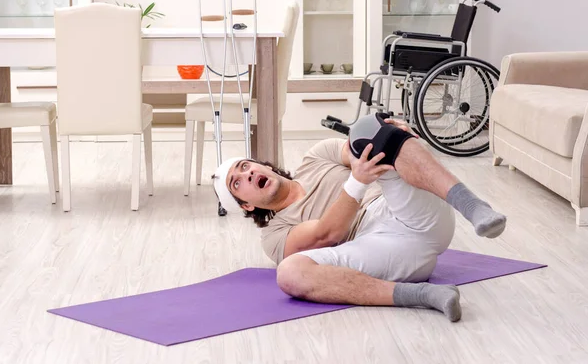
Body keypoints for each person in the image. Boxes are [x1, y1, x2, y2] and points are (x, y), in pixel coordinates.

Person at [212, 114, 506, 322]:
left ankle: (473, 206)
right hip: (382, 251)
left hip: (406, 210)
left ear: (261, 164)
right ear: (246, 206)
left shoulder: (316, 157)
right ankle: (423, 295)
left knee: (369, 131)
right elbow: (327, 235)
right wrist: (357, 181)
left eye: (245, 166)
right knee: (289, 273)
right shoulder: (274, 235)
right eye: (237, 184)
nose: (247, 174)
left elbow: (361, 150)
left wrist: (393, 138)